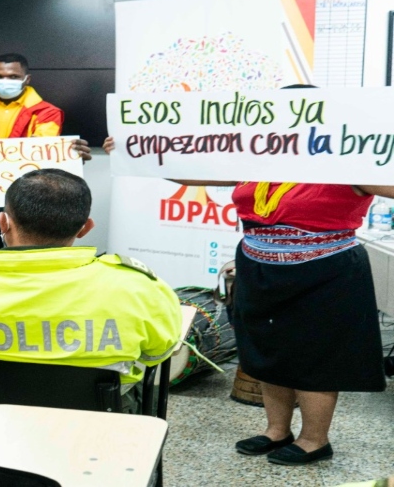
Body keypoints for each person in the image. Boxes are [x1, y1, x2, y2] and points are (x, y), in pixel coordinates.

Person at [105, 125, 394, 465]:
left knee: (316, 357)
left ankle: (315, 439)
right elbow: (193, 175)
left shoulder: (346, 162)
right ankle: (277, 431)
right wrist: (132, 151)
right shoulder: (260, 158)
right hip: (259, 269)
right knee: (267, 351)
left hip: (326, 272)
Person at [0, 169, 183, 412]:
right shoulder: (138, 288)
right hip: (94, 429)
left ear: (3, 223)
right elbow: (158, 352)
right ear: (85, 228)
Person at [0, 53, 63, 261]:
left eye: (13, 77)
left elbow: (39, 152)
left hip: (27, 197)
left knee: (25, 264)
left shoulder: (47, 113)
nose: (4, 81)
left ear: (27, 79)